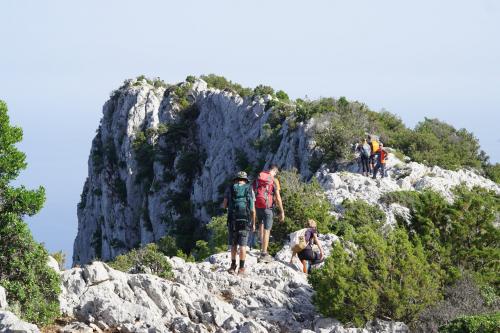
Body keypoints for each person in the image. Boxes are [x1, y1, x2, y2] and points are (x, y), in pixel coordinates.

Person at [222, 171, 256, 276]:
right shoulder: (249, 189)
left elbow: (224, 205)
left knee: (233, 244)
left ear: (236, 179)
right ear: (245, 180)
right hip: (245, 221)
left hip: (232, 220)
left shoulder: (230, 188)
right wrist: (253, 223)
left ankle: (232, 266)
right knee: (243, 245)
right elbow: (252, 210)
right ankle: (241, 268)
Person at [253, 164, 284, 263]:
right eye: (276, 173)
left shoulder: (259, 177)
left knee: (261, 224)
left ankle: (261, 248)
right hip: (267, 207)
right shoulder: (274, 180)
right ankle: (264, 254)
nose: (275, 175)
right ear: (274, 171)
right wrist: (282, 211)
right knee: (267, 229)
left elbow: (252, 190)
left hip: (257, 205)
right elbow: (278, 198)